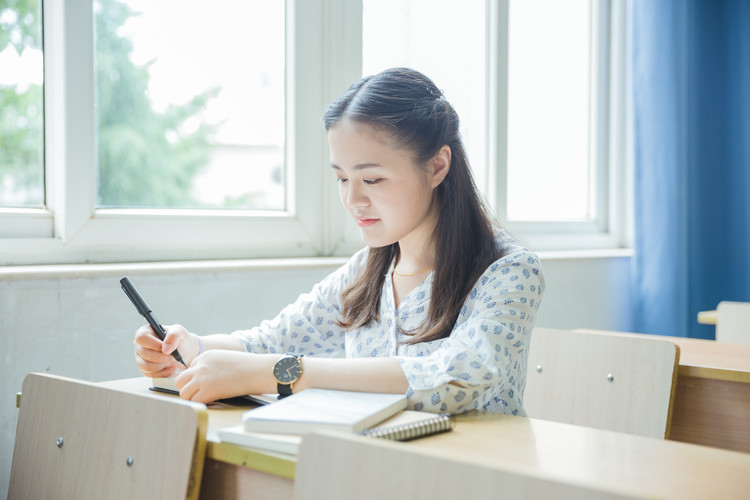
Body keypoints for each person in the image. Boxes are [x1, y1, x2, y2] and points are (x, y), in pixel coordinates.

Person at [134, 67, 544, 415]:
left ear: (437, 166)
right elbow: (272, 341)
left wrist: (280, 373)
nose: (352, 200)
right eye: (342, 179)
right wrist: (192, 345)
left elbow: (458, 376)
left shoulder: (509, 270)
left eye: (372, 179)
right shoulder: (370, 268)